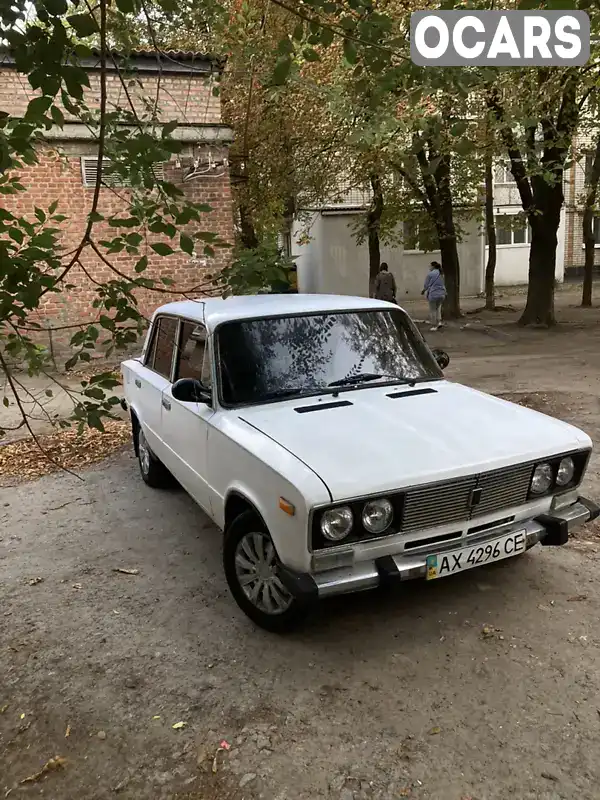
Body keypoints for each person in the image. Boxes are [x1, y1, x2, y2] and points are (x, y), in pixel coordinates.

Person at [422, 261, 446, 331]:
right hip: (442, 294)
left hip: (433, 294)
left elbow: (426, 285)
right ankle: (439, 322)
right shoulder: (442, 273)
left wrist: (423, 290)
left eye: (430, 266)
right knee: (438, 308)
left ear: (433, 266)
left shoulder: (430, 274)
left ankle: (434, 325)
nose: (429, 267)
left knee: (433, 310)